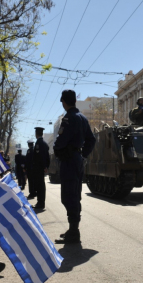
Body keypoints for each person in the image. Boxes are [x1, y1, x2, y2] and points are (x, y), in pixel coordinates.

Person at [53, 89, 96, 244]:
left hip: (69, 160)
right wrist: (83, 155)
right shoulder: (83, 118)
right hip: (77, 159)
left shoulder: (68, 118)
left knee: (68, 196)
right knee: (74, 195)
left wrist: (57, 150)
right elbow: (91, 140)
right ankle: (73, 229)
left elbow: (61, 141)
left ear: (64, 101)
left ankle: (74, 232)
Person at [32, 127, 50, 210]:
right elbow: (47, 157)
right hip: (41, 168)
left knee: (40, 186)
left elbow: (40, 157)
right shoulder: (45, 143)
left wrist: (43, 166)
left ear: (36, 134)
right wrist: (46, 166)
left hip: (38, 168)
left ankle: (40, 203)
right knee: (41, 186)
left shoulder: (39, 143)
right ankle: (40, 202)